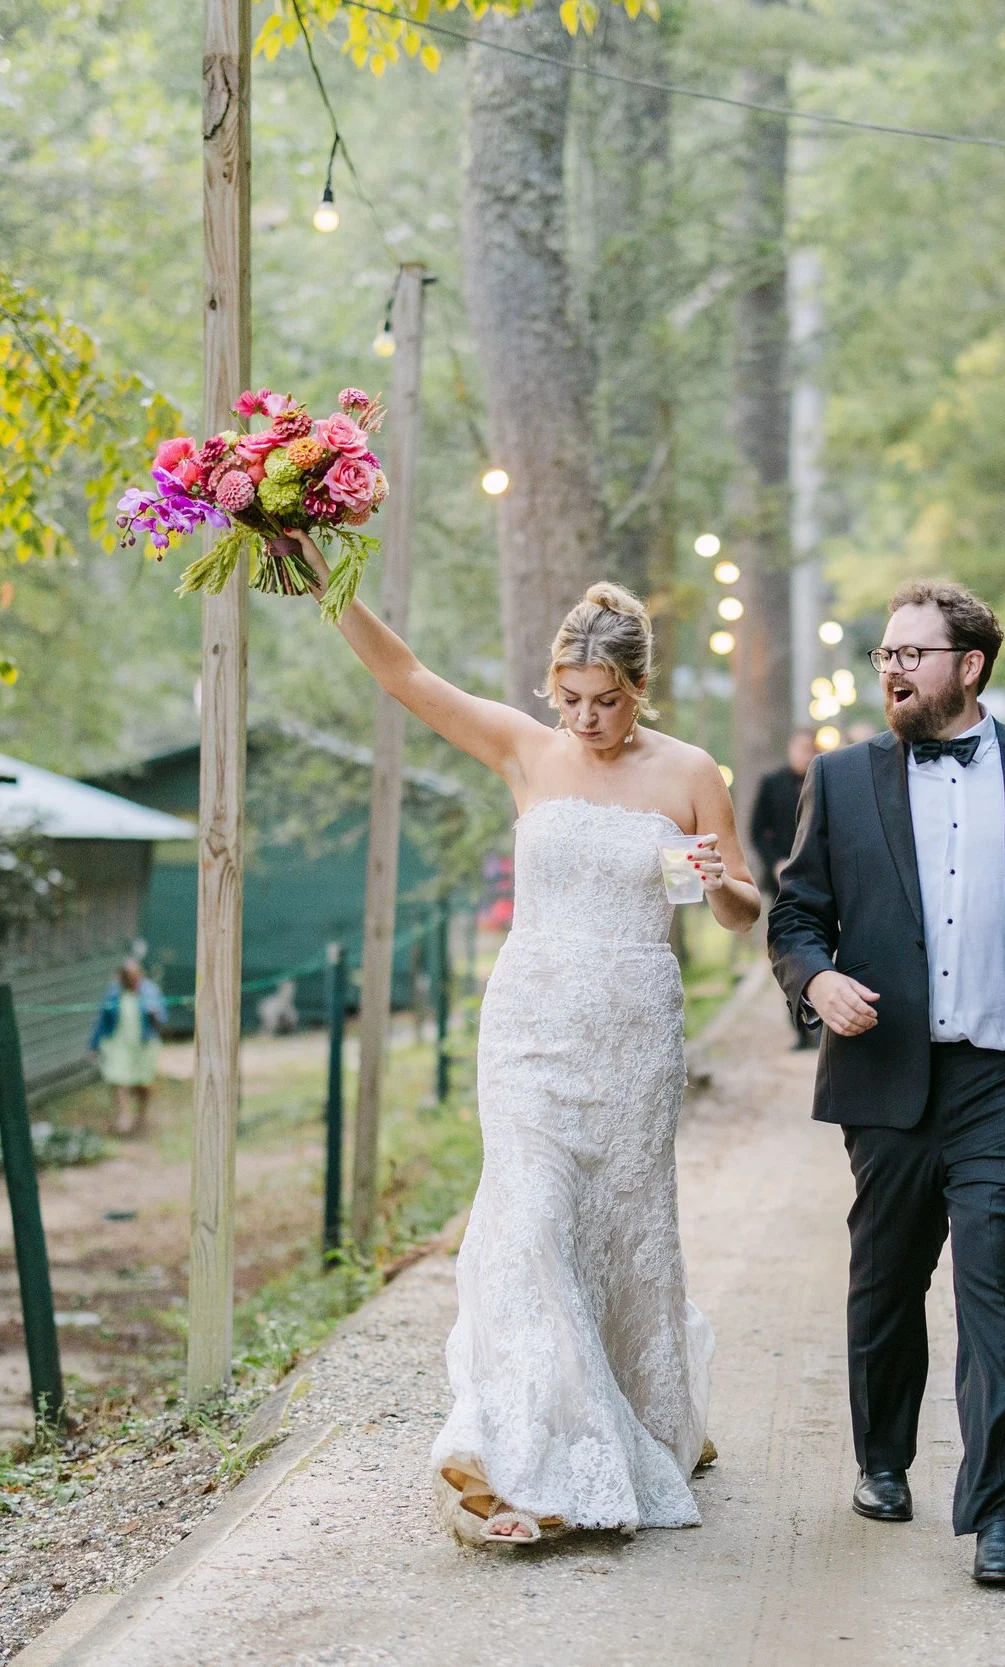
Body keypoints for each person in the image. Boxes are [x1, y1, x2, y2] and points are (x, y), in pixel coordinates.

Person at [290, 530, 761, 1545]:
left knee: (622, 1236)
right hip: (530, 1027)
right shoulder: (523, 747)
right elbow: (405, 673)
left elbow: (740, 907)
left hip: (633, 1032)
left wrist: (720, 880)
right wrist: (325, 582)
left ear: (641, 688)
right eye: (572, 696)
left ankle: (637, 1414)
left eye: (608, 699)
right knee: (530, 1224)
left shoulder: (688, 772)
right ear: (552, 684)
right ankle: (512, 1463)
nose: (586, 719)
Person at [769, 580, 1005, 1591]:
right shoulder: (842, 780)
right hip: (888, 1071)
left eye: (911, 652)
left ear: (969, 665)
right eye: (885, 653)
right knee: (887, 1280)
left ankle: (997, 1510)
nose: (890, 668)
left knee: (996, 1283)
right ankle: (882, 1457)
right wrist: (818, 976)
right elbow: (795, 912)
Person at [748, 729, 819, 1048]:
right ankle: (799, 1029)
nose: (805, 754)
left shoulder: (823, 779)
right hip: (781, 882)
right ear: (790, 749)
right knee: (789, 952)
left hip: (819, 880)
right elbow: (756, 832)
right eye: (800, 748)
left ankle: (821, 1026)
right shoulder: (771, 782)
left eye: (810, 749)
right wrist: (776, 862)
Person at [88, 958, 166, 1136]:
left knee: (143, 1083)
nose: (130, 981)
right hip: (119, 1043)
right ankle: (124, 1116)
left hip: (143, 1045)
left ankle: (142, 1116)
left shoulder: (149, 991)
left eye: (133, 977)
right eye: (126, 977)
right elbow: (102, 1020)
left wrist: (154, 1014)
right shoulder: (114, 993)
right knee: (118, 1077)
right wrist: (93, 1045)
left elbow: (161, 1019)